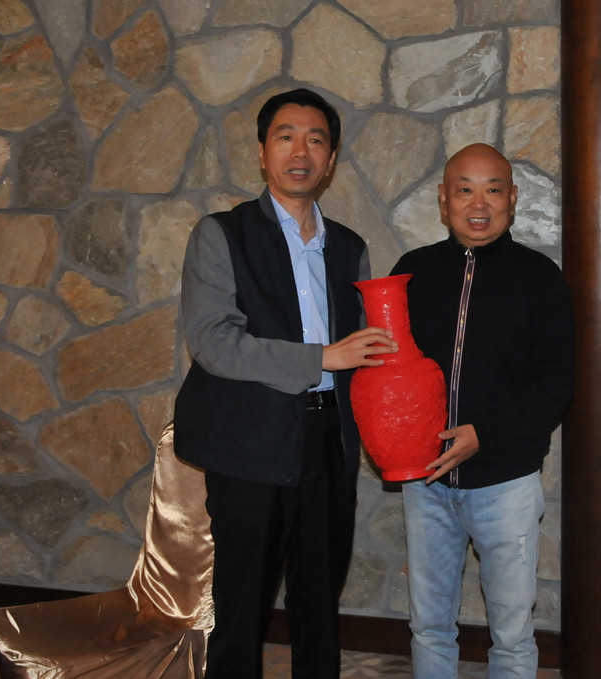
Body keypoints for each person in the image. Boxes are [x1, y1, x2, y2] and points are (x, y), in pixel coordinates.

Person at [173, 88, 397, 679]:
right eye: (286, 137)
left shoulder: (349, 248)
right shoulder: (220, 234)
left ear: (331, 158)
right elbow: (214, 342)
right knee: (242, 606)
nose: (301, 151)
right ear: (262, 152)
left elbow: (367, 351)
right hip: (249, 442)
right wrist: (323, 357)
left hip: (329, 441)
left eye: (316, 140)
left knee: (320, 600)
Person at [390, 143, 575, 678]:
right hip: (426, 480)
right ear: (443, 199)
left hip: (506, 484)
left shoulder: (540, 277)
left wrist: (484, 434)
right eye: (464, 189)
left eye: (492, 190)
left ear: (512, 199)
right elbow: (388, 370)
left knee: (512, 634)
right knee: (429, 625)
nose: (478, 203)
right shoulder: (411, 272)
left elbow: (557, 382)